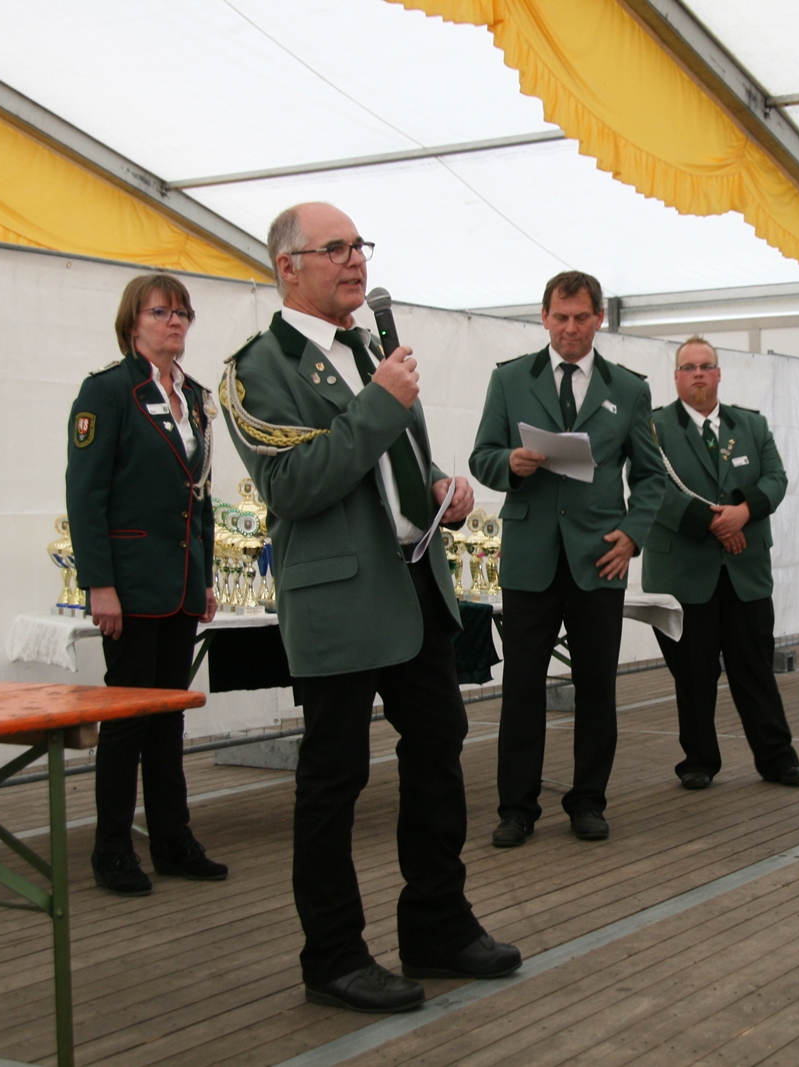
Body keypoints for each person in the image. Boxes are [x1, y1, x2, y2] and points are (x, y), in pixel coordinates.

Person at [222, 202, 518, 1014]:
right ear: (288, 266)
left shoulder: (368, 350)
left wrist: (441, 490)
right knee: (335, 776)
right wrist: (381, 401)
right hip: (340, 597)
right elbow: (294, 485)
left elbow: (398, 463)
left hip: (416, 583)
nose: (355, 260)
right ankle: (333, 955)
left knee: (438, 754)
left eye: (360, 246)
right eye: (336, 248)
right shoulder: (256, 370)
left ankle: (438, 924)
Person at [470, 270, 665, 848]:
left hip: (600, 558)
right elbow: (482, 457)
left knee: (597, 687)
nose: (570, 328)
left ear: (599, 318)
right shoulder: (509, 379)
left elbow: (651, 477)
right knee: (521, 688)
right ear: (544, 317)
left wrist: (633, 535)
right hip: (529, 557)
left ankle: (588, 801)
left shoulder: (628, 388)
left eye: (582, 317)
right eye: (560, 317)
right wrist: (510, 463)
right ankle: (516, 809)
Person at [66, 273, 227, 897]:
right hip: (131, 585)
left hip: (181, 584)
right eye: (161, 312)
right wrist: (99, 584)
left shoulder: (198, 398)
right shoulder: (107, 391)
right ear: (133, 322)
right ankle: (112, 849)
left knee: (168, 720)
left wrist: (205, 576)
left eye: (183, 312)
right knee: (127, 721)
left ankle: (172, 840)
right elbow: (86, 496)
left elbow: (200, 496)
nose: (175, 321)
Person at [642, 337, 799, 790]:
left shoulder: (751, 425)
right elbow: (651, 487)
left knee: (755, 669)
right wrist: (716, 524)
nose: (698, 373)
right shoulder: (654, 427)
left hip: (744, 572)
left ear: (718, 374)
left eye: (706, 366)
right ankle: (698, 761)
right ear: (676, 377)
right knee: (693, 674)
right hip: (684, 572)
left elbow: (776, 478)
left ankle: (777, 759)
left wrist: (744, 511)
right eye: (688, 367)